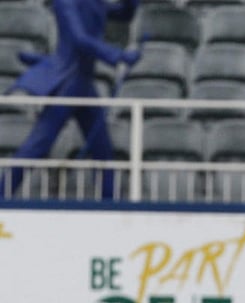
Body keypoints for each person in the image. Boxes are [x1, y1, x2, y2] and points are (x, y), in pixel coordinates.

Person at [0, 0, 141, 199]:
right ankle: (2, 194)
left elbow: (123, 14)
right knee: (39, 144)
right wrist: (118, 55)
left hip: (84, 85)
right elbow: (79, 39)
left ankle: (111, 203)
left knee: (102, 149)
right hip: (68, 82)